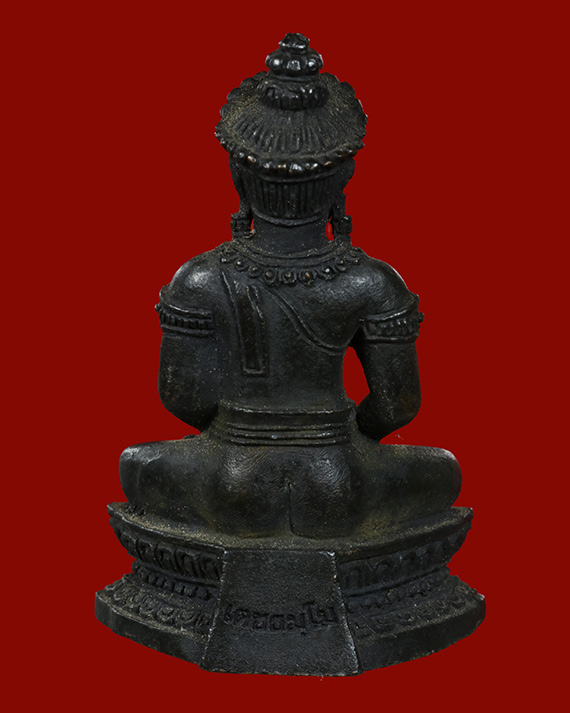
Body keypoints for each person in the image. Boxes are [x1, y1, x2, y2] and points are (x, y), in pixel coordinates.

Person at [120, 34, 461, 538]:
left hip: (227, 477)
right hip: (339, 478)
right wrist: (340, 438)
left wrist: (244, 435)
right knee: (444, 470)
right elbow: (397, 405)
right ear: (342, 179)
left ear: (239, 176)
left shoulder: (199, 278)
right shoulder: (372, 281)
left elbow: (183, 399)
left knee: (136, 462)